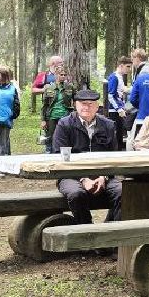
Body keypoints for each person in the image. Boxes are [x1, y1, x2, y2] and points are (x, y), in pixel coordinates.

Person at [51, 89, 123, 224]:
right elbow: (59, 156)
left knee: (123, 191)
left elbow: (113, 156)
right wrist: (83, 179)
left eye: (90, 104)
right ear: (75, 105)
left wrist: (103, 177)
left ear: (97, 106)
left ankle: (111, 233)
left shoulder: (108, 125)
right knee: (76, 194)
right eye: (82, 103)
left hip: (102, 174)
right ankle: (87, 232)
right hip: (70, 175)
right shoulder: (64, 124)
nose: (86, 107)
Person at [41, 66, 80, 149]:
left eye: (64, 75)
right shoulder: (48, 87)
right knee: (51, 138)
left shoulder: (70, 87)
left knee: (65, 137)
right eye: (61, 74)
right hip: (51, 117)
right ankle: (50, 155)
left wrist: (76, 112)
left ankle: (64, 154)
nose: (63, 76)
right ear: (56, 75)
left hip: (65, 116)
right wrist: (43, 120)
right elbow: (44, 105)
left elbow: (77, 99)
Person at [105, 57, 133, 134]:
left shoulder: (120, 77)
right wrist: (119, 109)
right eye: (127, 66)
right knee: (116, 134)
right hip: (114, 110)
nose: (129, 69)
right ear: (121, 65)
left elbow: (123, 90)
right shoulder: (114, 77)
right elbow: (111, 95)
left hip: (119, 109)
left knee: (120, 134)